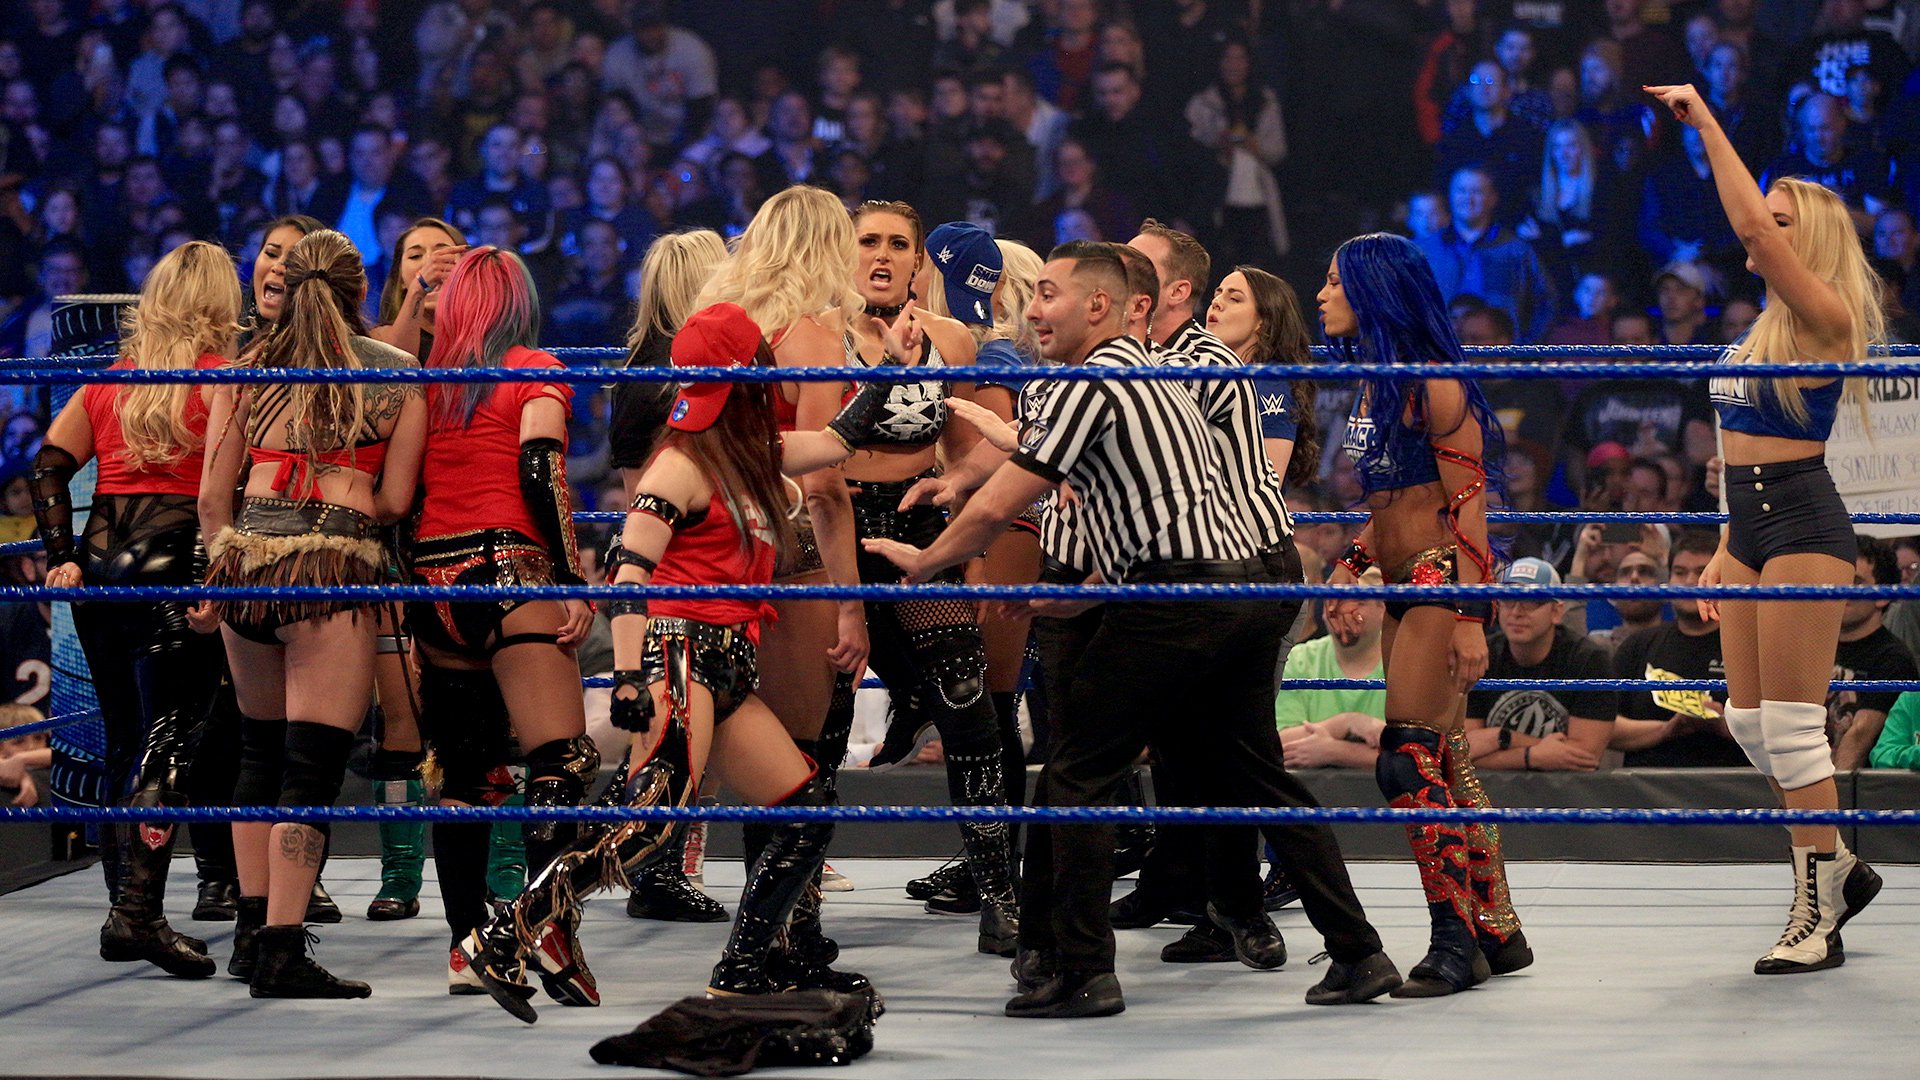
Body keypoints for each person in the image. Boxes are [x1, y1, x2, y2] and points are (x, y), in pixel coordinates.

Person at [869, 240, 1401, 1018]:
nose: (1032, 308)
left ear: (1100, 306)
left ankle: (1083, 969)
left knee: (1078, 771)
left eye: (1048, 294)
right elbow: (1162, 513)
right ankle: (1359, 952)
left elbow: (997, 506)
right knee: (1254, 773)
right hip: (1231, 589)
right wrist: (1079, 599)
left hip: (1179, 600)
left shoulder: (1097, 380)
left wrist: (924, 563)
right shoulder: (1160, 378)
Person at [461, 302, 898, 1021]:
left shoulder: (754, 454)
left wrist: (892, 367)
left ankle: (742, 973)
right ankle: (506, 933)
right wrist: (629, 677)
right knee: (651, 825)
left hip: (729, 669)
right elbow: (629, 573)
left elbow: (836, 440)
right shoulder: (679, 465)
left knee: (804, 813)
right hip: (678, 657)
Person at [1649, 81, 1889, 973]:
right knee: (1750, 723)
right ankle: (1842, 867)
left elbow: (1749, 231)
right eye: (1769, 219)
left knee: (1790, 727)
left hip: (1802, 521)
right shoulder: (1763, 328)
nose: (1764, 231)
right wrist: (1721, 543)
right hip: (1747, 526)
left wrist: (1708, 123)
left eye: (1783, 223)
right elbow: (1728, 445)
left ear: (1807, 239)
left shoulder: (1826, 317)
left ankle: (1815, 910)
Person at [196, 228, 426, 998]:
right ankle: (282, 949)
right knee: (310, 766)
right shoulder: (398, 374)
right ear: (360, 291)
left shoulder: (245, 370)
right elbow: (394, 501)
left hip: (247, 565)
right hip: (331, 565)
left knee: (257, 753)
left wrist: (219, 574)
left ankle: (249, 932)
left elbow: (211, 499)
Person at [1320, 230, 1531, 996]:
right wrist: (1352, 560)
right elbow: (1393, 502)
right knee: (1444, 758)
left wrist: (1472, 615)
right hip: (1400, 579)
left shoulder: (1436, 383)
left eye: (1336, 282)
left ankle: (1455, 941)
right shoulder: (1377, 383)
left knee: (1406, 758)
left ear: (1375, 291)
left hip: (1443, 578)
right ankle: (1497, 929)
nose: (1323, 295)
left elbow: (1469, 510)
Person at [387, 246, 599, 1006]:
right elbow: (542, 470)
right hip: (508, 571)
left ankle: (466, 944)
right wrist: (571, 581)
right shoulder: (533, 368)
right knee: (561, 761)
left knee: (464, 775)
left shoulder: (429, 383)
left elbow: (401, 500)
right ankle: (543, 928)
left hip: (434, 584)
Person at [28, 241, 237, 980]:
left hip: (102, 570)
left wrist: (62, 555)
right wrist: (216, 574)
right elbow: (219, 497)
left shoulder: (111, 380)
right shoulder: (220, 378)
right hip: (176, 563)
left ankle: (123, 905)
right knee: (169, 738)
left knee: (125, 741)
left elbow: (47, 466)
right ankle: (138, 913)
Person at [829, 200, 1027, 958]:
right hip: (832, 525)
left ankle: (999, 898)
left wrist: (961, 514)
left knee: (969, 700)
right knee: (822, 715)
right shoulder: (817, 336)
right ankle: (791, 906)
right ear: (846, 252)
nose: (881, 255)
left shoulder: (952, 340)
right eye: (868, 241)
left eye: (897, 244)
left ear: (919, 262)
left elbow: (975, 449)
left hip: (915, 521)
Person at [690, 185, 871, 982]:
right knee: (802, 765)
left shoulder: (720, 324)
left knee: (767, 765)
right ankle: (778, 946)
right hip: (791, 555)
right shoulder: (813, 332)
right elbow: (826, 485)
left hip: (717, 554)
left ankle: (779, 942)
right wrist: (852, 603)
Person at [904, 224, 1044, 914]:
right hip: (998, 530)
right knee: (991, 704)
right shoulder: (995, 346)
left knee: (989, 704)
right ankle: (992, 860)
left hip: (1001, 529)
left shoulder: (991, 353)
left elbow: (994, 463)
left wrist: (976, 554)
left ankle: (995, 867)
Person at [1464, 558, 1617, 771]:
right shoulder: (1482, 656)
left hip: (1568, 791)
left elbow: (1585, 757)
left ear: (1556, 612)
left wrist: (1500, 739)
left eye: (1531, 601)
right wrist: (1530, 755)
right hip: (1492, 791)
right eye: (1508, 600)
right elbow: (1462, 754)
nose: (1516, 611)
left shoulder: (1589, 661)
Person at [1275, 570, 1387, 770]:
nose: (1342, 613)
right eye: (1333, 602)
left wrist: (1336, 752)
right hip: (1309, 789)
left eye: (1358, 602)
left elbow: (1417, 757)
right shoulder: (1299, 660)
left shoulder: (1403, 663)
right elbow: (1278, 746)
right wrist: (1346, 723)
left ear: (1383, 608)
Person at [1828, 536, 1920, 769]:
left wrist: (1828, 792)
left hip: (1843, 785)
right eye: (1836, 579)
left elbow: (1858, 739)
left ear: (1882, 596)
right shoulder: (1813, 646)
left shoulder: (1894, 660)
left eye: (1856, 582)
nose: (1842, 590)